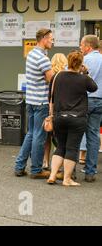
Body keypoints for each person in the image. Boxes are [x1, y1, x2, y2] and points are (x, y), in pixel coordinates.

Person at [46, 51, 98, 186]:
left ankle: (52, 175)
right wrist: (85, 73)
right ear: (80, 64)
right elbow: (94, 87)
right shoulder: (83, 79)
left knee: (60, 147)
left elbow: (50, 97)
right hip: (77, 118)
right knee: (72, 148)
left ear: (68, 62)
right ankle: (67, 179)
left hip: (59, 117)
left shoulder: (57, 76)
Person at [14, 29, 54, 179]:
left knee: (31, 133)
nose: (52, 41)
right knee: (39, 136)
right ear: (43, 39)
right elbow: (51, 80)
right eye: (51, 38)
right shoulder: (43, 58)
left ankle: (19, 166)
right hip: (41, 101)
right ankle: (36, 169)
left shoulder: (31, 54)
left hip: (30, 100)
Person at [79, 34, 102, 183]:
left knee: (75, 133)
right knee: (93, 135)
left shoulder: (83, 60)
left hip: (84, 101)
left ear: (88, 46)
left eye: (81, 45)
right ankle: (90, 171)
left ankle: (69, 171)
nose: (80, 48)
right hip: (100, 100)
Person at [43, 53, 67, 170]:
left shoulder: (49, 74)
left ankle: (46, 161)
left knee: (47, 135)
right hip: (60, 109)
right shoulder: (65, 75)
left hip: (48, 107)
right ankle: (59, 163)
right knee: (60, 138)